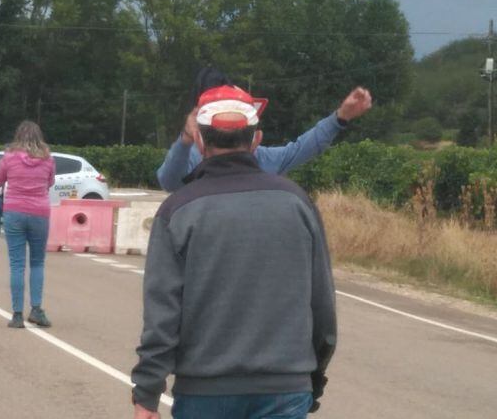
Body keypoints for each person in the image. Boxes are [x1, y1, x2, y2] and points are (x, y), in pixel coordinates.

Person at [131, 85, 336, 419]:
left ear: (199, 140)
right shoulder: (297, 203)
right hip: (286, 386)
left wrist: (147, 392)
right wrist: (312, 374)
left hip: (205, 389)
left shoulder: (178, 210)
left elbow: (162, 313)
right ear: (255, 141)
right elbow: (322, 303)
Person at [156, 69, 373, 191]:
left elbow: (169, 182)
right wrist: (340, 118)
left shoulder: (192, 157)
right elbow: (169, 180)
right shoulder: (288, 194)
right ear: (256, 137)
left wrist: (340, 118)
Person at [0, 120, 56, 329]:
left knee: (17, 264)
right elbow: (50, 182)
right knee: (37, 263)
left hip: (14, 213)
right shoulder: (48, 159)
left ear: (18, 136)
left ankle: (17, 314)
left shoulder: (9, 158)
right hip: (40, 213)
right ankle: (36, 309)